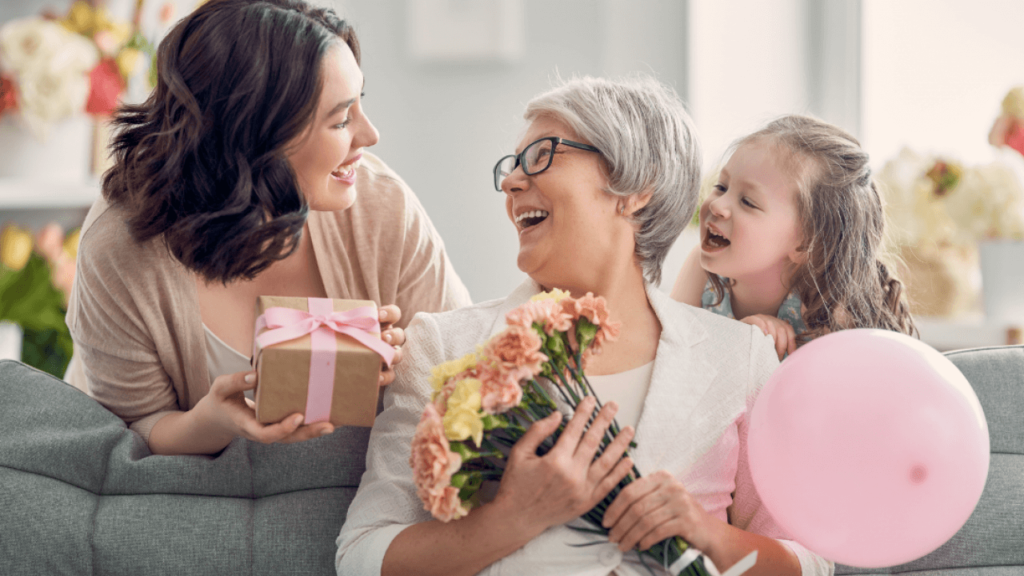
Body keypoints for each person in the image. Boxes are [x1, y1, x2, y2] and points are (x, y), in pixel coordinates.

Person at [336, 76, 832, 576]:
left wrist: (708, 535)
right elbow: (361, 554)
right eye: (511, 167)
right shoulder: (443, 345)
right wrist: (511, 519)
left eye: (542, 156)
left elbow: (810, 560)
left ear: (637, 188)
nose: (510, 182)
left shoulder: (739, 357)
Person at [65, 0, 471, 456]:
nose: (370, 134)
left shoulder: (381, 206)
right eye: (341, 119)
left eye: (361, 103)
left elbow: (467, 375)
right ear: (257, 138)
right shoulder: (121, 247)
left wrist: (409, 366)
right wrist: (213, 422)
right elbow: (133, 428)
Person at [671, 115, 916, 360]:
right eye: (722, 187)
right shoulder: (702, 271)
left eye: (748, 202)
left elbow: (838, 394)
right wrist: (738, 343)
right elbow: (670, 359)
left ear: (806, 244)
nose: (718, 205)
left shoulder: (828, 311)